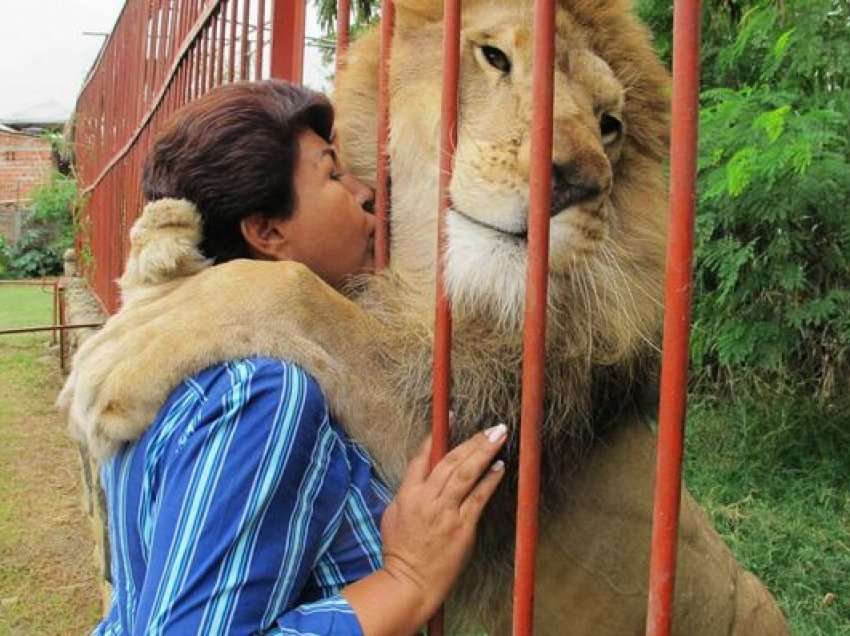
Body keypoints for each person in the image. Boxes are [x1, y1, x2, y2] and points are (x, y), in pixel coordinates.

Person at [91, 80, 506, 635]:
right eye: (333, 174)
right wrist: (407, 579)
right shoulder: (259, 391)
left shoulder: (170, 360)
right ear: (267, 232)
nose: (365, 192)